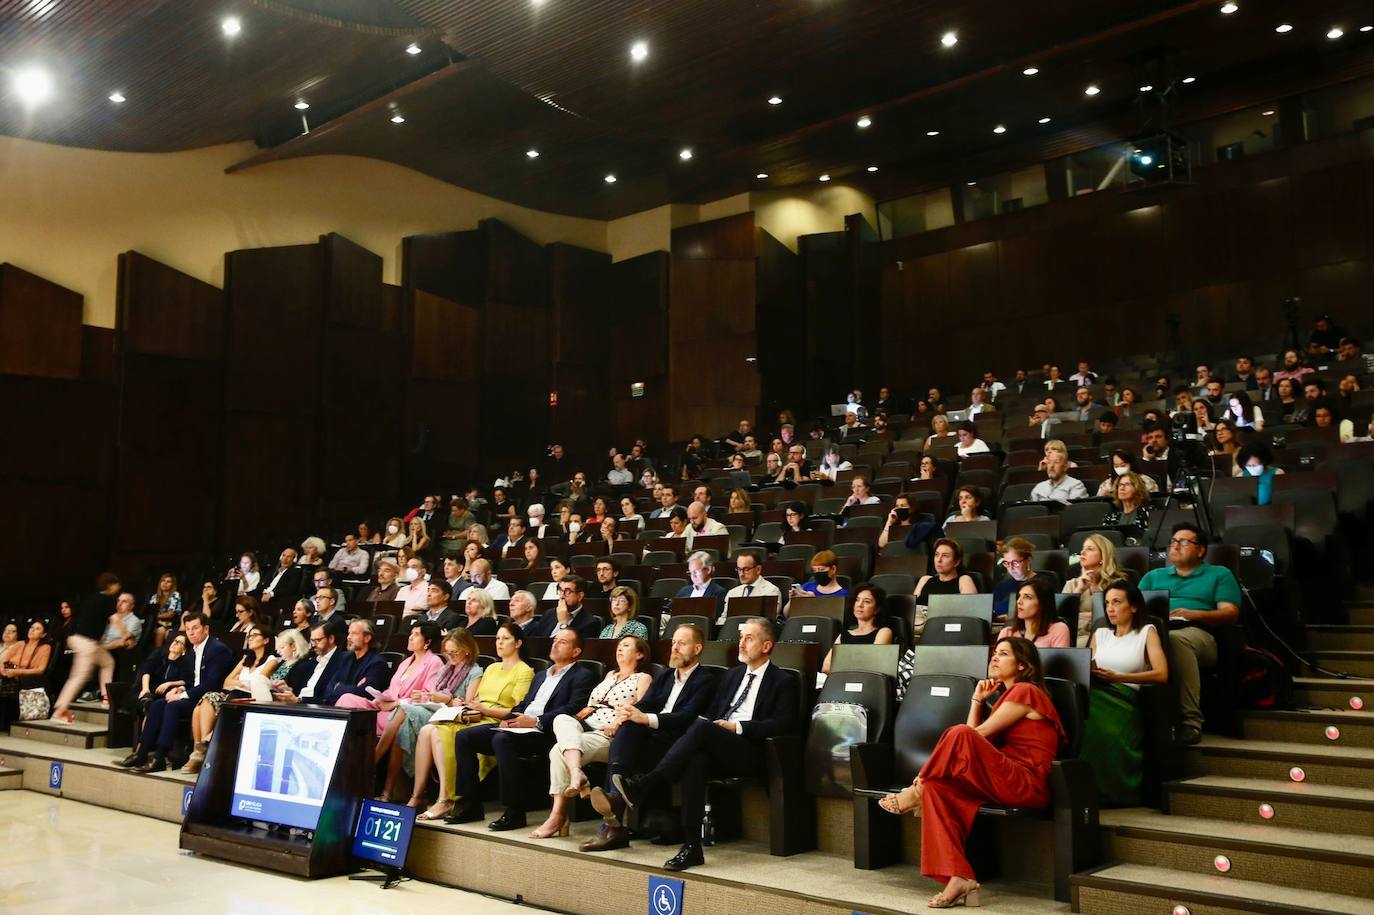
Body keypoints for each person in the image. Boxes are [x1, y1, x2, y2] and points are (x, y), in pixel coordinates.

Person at [879, 638, 1065, 908]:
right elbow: (974, 743)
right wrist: (977, 700)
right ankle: (959, 877)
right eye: (994, 653)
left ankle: (915, 790)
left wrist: (925, 773)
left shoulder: (1027, 691)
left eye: (1003, 654)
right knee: (937, 789)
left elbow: (976, 735)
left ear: (1023, 665)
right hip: (1003, 779)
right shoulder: (1005, 699)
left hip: (1026, 783)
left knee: (958, 734)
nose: (994, 658)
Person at [613, 617, 798, 871]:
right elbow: (710, 714)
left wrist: (738, 727)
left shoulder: (783, 680)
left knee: (701, 729)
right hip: (717, 742)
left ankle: (647, 784)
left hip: (751, 749)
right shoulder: (732, 676)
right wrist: (713, 726)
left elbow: (783, 725)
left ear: (766, 646)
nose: (741, 643)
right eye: (741, 638)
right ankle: (692, 847)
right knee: (695, 760)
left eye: (749, 638)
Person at [583, 623, 721, 852]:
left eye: (682, 643)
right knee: (627, 728)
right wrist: (629, 710)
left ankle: (612, 818)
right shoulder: (666, 675)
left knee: (632, 733)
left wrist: (646, 719)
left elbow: (687, 718)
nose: (674, 648)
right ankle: (616, 798)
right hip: (653, 736)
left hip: (678, 741)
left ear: (697, 649)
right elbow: (647, 703)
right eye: (673, 642)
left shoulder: (705, 680)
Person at [447, 629, 596, 829]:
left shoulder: (583, 675)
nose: (555, 644)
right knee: (465, 736)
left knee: (501, 740)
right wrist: (509, 718)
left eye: (562, 642)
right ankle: (470, 803)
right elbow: (525, 704)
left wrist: (536, 721)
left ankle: (515, 810)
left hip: (545, 731)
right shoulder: (542, 675)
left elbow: (572, 709)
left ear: (576, 651)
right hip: (520, 724)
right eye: (555, 640)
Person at [531, 635, 653, 839]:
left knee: (556, 750)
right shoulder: (609, 676)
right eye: (619, 645)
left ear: (640, 654)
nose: (619, 649)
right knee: (561, 719)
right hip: (585, 725)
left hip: (609, 733)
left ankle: (558, 815)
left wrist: (618, 722)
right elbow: (589, 705)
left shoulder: (643, 678)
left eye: (626, 646)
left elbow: (642, 709)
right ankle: (576, 772)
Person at [411, 622, 535, 819]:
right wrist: (466, 704)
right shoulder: (493, 667)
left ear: (518, 643)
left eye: (505, 639)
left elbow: (518, 709)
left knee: (441, 732)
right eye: (497, 639)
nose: (499, 643)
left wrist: (484, 708)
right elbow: (477, 698)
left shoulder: (524, 670)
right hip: (476, 714)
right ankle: (421, 795)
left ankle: (446, 799)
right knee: (429, 729)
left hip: (494, 719)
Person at [1139, 523, 1242, 744]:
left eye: (1184, 542)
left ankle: (1191, 722)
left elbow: (1230, 613)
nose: (1176, 546)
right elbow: (1133, 608)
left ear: (1201, 550)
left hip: (1199, 634)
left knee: (1176, 641)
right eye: (1173, 541)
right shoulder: (1153, 576)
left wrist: (1194, 614)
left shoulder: (1219, 574)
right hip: (1155, 632)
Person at [1082, 582, 1169, 806]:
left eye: (1117, 602)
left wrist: (1118, 678)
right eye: (1107, 603)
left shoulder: (1147, 632)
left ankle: (1109, 794)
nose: (1110, 609)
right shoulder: (1100, 634)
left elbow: (1161, 674)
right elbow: (1085, 667)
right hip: (1097, 691)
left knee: (1093, 725)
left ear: (1133, 607)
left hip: (1124, 698)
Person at [377, 629, 484, 801]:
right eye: (447, 653)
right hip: (435, 709)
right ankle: (392, 792)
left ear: (467, 650)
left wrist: (448, 700)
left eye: (454, 653)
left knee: (404, 710)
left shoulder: (474, 672)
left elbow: (469, 704)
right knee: (401, 730)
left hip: (450, 715)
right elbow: (434, 694)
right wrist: (425, 696)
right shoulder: (446, 669)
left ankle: (376, 760)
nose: (450, 657)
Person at [119, 613, 233, 772]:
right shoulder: (192, 650)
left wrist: (182, 695)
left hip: (210, 698)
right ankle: (142, 752)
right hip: (194, 694)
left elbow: (212, 684)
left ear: (206, 628)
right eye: (187, 629)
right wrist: (182, 688)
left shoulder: (218, 650)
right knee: (158, 705)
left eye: (195, 628)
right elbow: (193, 680)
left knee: (173, 706)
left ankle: (159, 757)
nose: (191, 633)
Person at [182, 624, 279, 773]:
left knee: (202, 706)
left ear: (266, 640)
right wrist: (242, 683)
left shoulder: (271, 660)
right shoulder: (246, 659)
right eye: (249, 636)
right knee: (205, 701)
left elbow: (258, 682)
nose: (250, 639)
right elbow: (227, 682)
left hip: (252, 699)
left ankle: (203, 749)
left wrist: (239, 683)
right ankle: (202, 750)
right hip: (234, 695)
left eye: (254, 635)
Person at [338, 620, 444, 741]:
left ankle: (356, 747)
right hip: (387, 706)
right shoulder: (405, 662)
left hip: (404, 711)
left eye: (416, 634)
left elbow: (427, 696)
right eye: (411, 633)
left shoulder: (434, 661)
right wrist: (380, 698)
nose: (410, 637)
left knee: (367, 719)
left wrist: (397, 703)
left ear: (428, 641)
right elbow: (391, 690)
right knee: (347, 698)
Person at [1062, 534, 1127, 646]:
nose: (1082, 552)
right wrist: (1079, 590)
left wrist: (1081, 615)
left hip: (1106, 636)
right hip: (1072, 635)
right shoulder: (1072, 584)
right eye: (1083, 548)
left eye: (1090, 549)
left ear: (1103, 557)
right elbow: (1062, 618)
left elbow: (1116, 616)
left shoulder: (1117, 585)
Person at [822, 583, 894, 673]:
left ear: (877, 609)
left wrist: (841, 666)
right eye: (857, 600)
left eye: (867, 601)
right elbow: (826, 666)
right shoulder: (844, 634)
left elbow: (873, 664)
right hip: (839, 680)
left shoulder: (884, 632)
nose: (860, 605)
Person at [0, 620, 53, 730]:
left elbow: (40, 670)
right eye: (32, 627)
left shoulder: (45, 647)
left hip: (29, 678)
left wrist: (19, 672)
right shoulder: (20, 644)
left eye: (37, 629)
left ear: (43, 634)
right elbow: (3, 661)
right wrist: (4, 672)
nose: (32, 630)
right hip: (9, 675)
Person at [914, 538, 978, 616]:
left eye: (945, 556)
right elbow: (913, 611)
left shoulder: (964, 580)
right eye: (936, 555)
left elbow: (971, 614)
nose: (939, 560)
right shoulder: (925, 580)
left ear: (956, 562)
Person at [999, 578, 1070, 647]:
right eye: (1019, 596)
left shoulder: (1058, 629)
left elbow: (1059, 659)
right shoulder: (1007, 633)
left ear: (1043, 603)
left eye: (1027, 597)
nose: (1019, 601)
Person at [532, 576, 603, 640]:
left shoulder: (590, 623)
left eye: (567, 591)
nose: (562, 596)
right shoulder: (548, 614)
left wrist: (563, 624)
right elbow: (537, 642)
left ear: (580, 596)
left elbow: (575, 649)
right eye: (560, 590)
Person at [784, 550, 846, 617]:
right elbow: (787, 615)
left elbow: (834, 618)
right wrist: (792, 600)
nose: (818, 573)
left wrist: (814, 601)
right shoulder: (807, 586)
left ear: (833, 569)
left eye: (821, 569)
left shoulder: (842, 594)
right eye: (815, 570)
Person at [723, 550, 782, 620]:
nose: (741, 574)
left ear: (758, 569)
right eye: (739, 569)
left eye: (746, 569)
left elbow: (768, 622)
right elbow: (723, 619)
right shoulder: (732, 593)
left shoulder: (771, 591)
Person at [992, 538, 1038, 620]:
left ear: (1029, 560)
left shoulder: (1043, 583)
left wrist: (1012, 618)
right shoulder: (1001, 586)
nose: (1010, 568)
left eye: (1015, 563)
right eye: (1007, 563)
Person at [1096, 450, 1160, 497]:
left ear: (1131, 464)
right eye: (1116, 466)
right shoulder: (1107, 484)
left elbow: (1153, 501)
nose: (1119, 469)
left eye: (1123, 465)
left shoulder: (1146, 481)